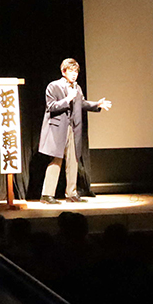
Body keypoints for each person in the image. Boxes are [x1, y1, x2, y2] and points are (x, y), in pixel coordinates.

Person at [37, 58, 111, 203]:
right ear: (63, 71)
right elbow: (51, 106)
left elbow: (82, 103)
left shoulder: (77, 88)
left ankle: (71, 193)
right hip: (57, 129)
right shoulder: (53, 86)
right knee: (56, 160)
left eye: (76, 71)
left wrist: (98, 104)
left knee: (73, 160)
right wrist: (67, 99)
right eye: (71, 71)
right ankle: (46, 195)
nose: (74, 74)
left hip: (72, 128)